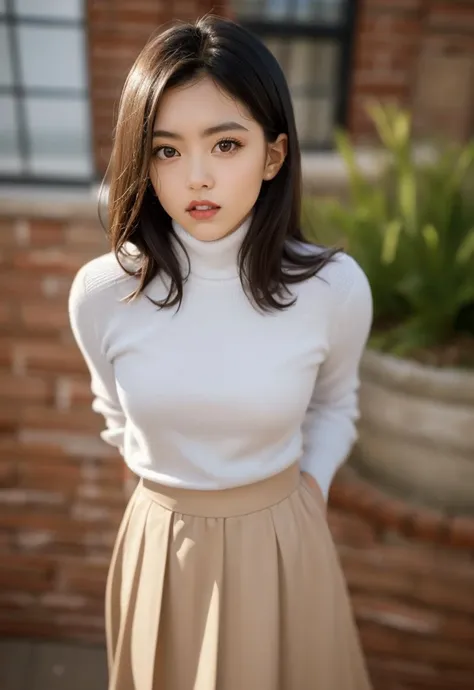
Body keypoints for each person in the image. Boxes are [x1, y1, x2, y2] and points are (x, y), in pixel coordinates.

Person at [68, 14, 373, 690]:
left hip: (284, 545)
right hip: (161, 551)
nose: (196, 177)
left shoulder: (333, 288)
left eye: (225, 144)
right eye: (166, 150)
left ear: (273, 154)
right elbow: (114, 414)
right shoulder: (101, 292)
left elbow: (335, 405)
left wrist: (305, 500)